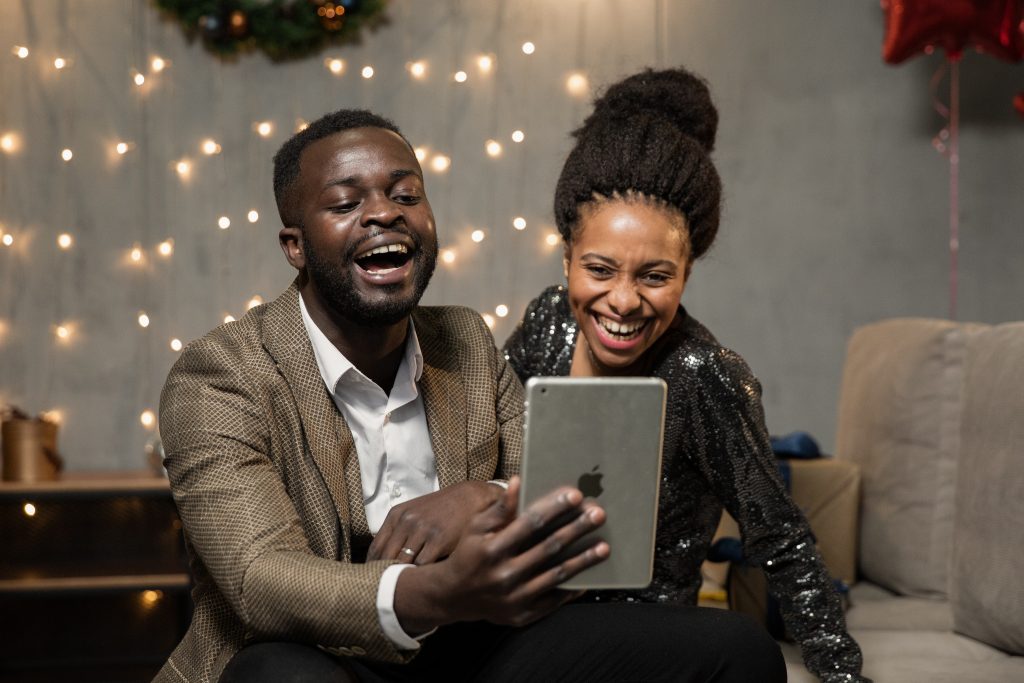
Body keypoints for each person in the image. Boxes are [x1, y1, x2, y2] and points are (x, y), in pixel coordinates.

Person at [156, 108, 787, 682]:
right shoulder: (219, 376)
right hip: (315, 653)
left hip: (467, 647)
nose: (384, 213)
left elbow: (549, 491)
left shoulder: (466, 341)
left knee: (738, 651)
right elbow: (261, 581)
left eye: (406, 194)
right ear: (295, 245)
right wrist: (439, 592)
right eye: (346, 203)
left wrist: (479, 496)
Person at [503, 68, 870, 683]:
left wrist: (842, 675)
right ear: (566, 257)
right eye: (599, 269)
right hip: (519, 608)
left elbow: (782, 539)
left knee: (743, 648)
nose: (623, 301)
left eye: (654, 276)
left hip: (637, 632)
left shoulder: (705, 375)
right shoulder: (546, 321)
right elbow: (482, 448)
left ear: (687, 273)